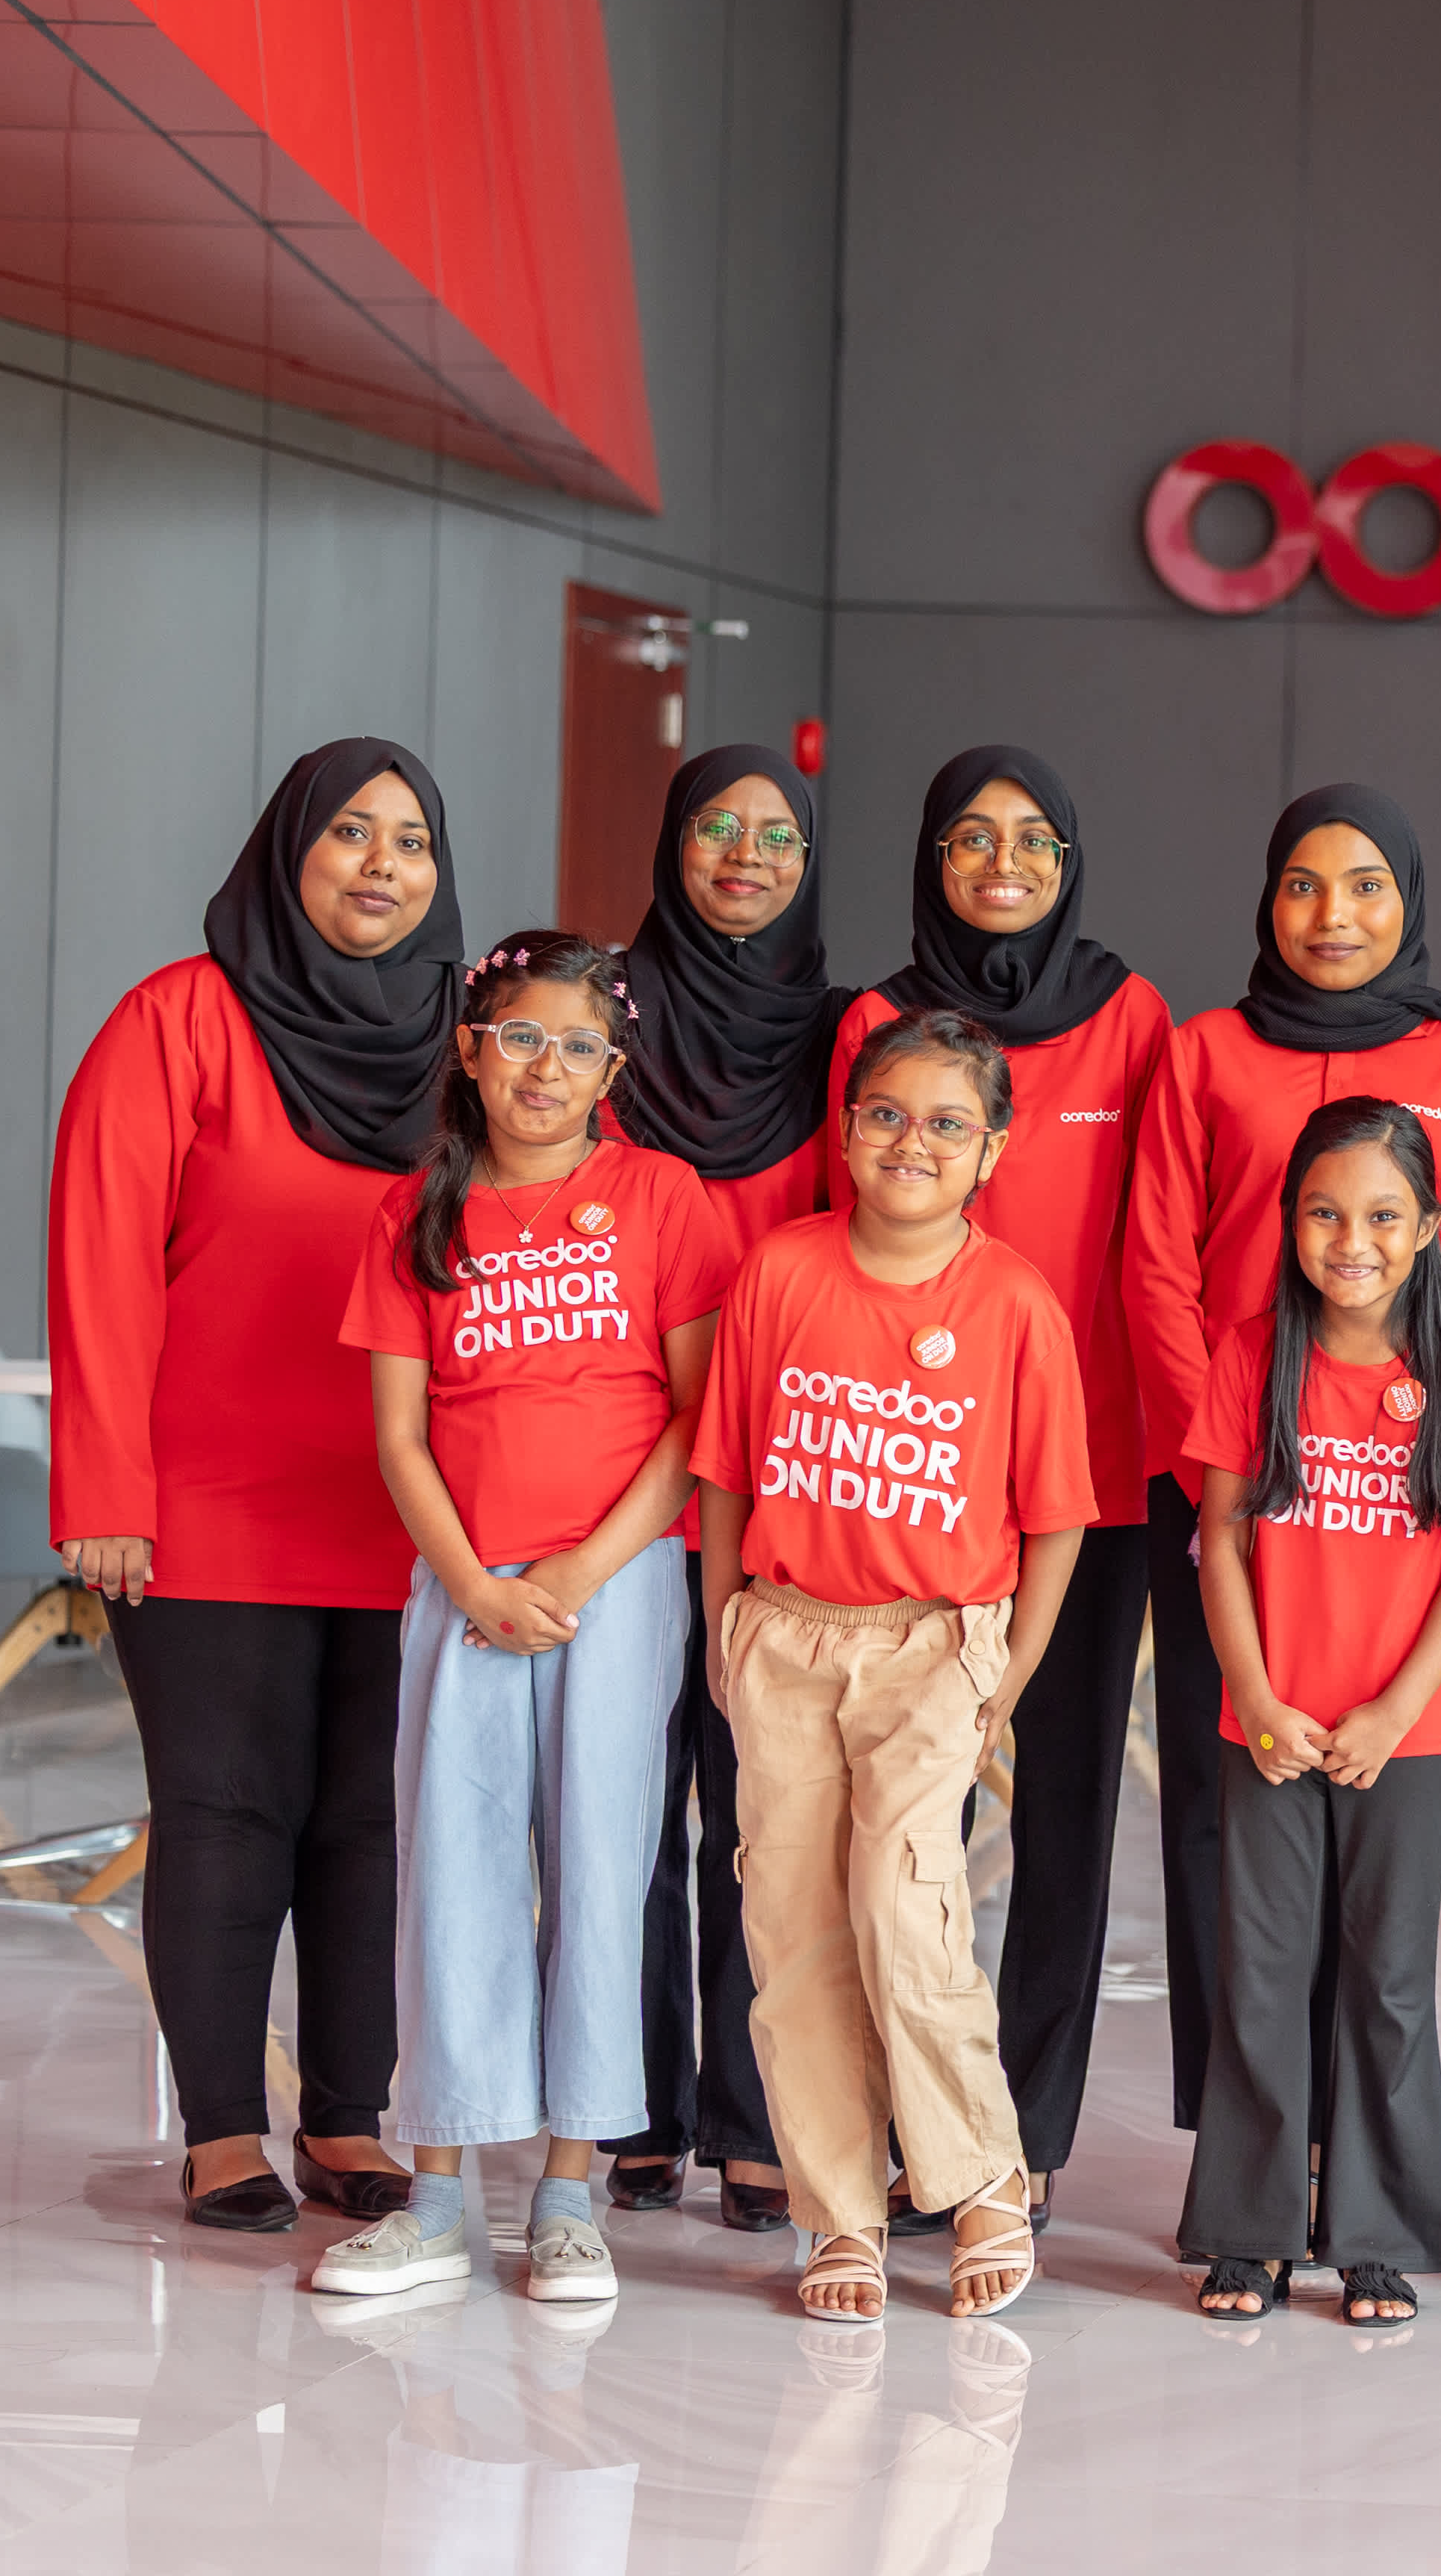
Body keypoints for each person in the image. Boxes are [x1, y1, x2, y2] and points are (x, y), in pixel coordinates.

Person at [52, 738, 457, 2233]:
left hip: (411, 1502)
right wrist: (107, 1486)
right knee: (226, 1809)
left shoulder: (468, 1047)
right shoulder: (179, 1019)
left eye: (410, 841)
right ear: (289, 851)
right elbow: (100, 1255)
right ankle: (222, 2129)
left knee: (372, 1823)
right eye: (350, 832)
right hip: (209, 1497)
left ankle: (347, 2120)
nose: (380, 865)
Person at [319, 933, 735, 2306]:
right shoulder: (415, 1212)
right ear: (470, 1049)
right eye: (518, 1039)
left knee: (604, 1871)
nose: (544, 1069)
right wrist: (479, 1584)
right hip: (465, 1587)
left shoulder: (662, 1196)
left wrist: (578, 1575)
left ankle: (568, 2198)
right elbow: (399, 1436)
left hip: (616, 1587)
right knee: (451, 1869)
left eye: (576, 1047)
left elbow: (694, 1420)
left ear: (613, 1070)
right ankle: (438, 2197)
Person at [1127, 787, 1441, 2141]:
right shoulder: (1205, 1051)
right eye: (1302, 884)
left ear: (1408, 899)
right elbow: (1157, 1265)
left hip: (1400, 1489)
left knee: (1378, 1838)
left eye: (1364, 886)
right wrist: (1230, 1456)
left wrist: (1428, 1431)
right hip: (1235, 1489)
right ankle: (1243, 2133)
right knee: (1227, 1815)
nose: (1332, 914)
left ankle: (1352, 2154)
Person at [694, 1007, 1096, 2321]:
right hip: (784, 1635)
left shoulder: (1015, 1302)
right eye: (884, 1115)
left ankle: (979, 2177)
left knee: (903, 1905)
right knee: (793, 1929)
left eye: (945, 1123)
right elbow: (724, 1468)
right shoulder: (782, 1270)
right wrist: (725, 1622)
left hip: (934, 1645)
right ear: (846, 1126)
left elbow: (1055, 1519)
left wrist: (1006, 1675)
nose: (910, 1142)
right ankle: (841, 2211)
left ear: (993, 1149)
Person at [830, 747, 1169, 2230]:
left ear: (1071, 858)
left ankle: (1020, 2136)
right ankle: (906, 2112)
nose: (1003, 862)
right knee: (905, 1819)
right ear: (931, 857)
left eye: (1034, 838)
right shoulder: (875, 1022)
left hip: (1089, 1477)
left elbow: (1155, 1239)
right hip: (913, 1476)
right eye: (970, 837)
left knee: (1066, 1815)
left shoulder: (1131, 1015)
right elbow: (840, 1243)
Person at [1177, 1099, 1441, 2327]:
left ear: (1428, 1229)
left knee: (1387, 1980)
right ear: (1290, 1223)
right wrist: (1257, 1696)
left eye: (1384, 1216)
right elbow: (1221, 1542)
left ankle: (1377, 2234)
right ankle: (1251, 2232)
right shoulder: (1250, 1355)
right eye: (1325, 1214)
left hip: (1403, 1735)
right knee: (1263, 1976)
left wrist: (1395, 1708)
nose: (1352, 1241)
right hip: (1270, 1724)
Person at [609, 744, 844, 2232]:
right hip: (620, 1474)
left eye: (777, 836)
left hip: (790, 1476)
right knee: (631, 1804)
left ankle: (758, 2114)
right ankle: (637, 2104)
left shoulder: (839, 1033)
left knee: (767, 1810)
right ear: (672, 843)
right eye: (715, 827)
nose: (746, 855)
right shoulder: (606, 1014)